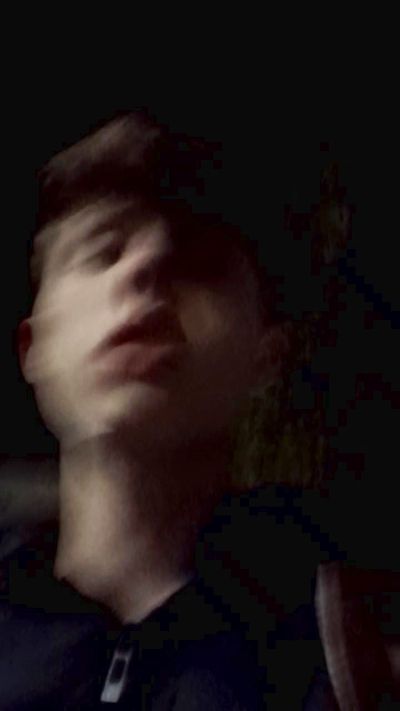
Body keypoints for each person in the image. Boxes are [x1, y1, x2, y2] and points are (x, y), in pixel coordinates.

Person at [4, 110, 340, 708]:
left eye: (198, 258)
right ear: (35, 347)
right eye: (102, 251)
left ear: (267, 355)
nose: (147, 265)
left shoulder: (348, 643)